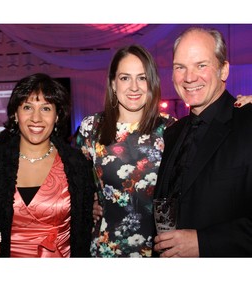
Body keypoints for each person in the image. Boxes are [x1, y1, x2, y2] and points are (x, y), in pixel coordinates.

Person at [153, 27, 252, 257]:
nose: (189, 77)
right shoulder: (173, 132)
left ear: (224, 70)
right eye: (180, 67)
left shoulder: (247, 123)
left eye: (201, 65)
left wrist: (204, 243)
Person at [75, 44, 177, 257]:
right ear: (113, 83)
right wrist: (90, 202)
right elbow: (76, 184)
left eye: (142, 78)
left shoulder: (171, 129)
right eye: (125, 78)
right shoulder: (91, 128)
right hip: (107, 248)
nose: (134, 87)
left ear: (152, 83)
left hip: (160, 250)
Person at [0, 73, 96, 257]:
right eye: (27, 107)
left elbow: (85, 225)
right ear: (15, 115)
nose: (36, 118)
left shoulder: (77, 165)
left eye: (46, 109)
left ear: (57, 116)